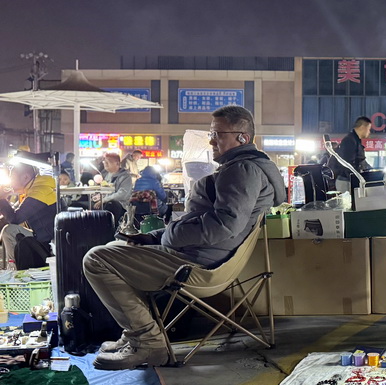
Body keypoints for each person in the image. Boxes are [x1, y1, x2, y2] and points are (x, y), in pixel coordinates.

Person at [83, 105, 286, 369]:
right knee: (115, 247)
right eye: (211, 134)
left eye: (217, 134)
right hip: (200, 254)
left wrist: (169, 237)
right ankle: (137, 333)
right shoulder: (242, 167)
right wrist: (154, 237)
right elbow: (205, 222)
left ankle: (148, 344)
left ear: (242, 138)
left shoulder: (241, 170)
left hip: (200, 264)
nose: (211, 141)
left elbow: (222, 226)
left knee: (96, 259)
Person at [0, 152, 57, 269]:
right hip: (42, 238)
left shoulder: (39, 192)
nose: (10, 181)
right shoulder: (34, 190)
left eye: (12, 177)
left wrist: (2, 199)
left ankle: (14, 269)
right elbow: (14, 213)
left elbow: (15, 219)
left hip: (47, 243)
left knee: (9, 230)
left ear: (25, 177)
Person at [329, 116, 373, 193]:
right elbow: (347, 163)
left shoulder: (355, 140)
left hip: (350, 180)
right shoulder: (349, 140)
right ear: (362, 127)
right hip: (347, 181)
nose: (369, 132)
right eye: (368, 129)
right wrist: (356, 178)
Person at [93, 153, 133, 225]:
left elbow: (122, 194)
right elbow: (102, 190)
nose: (105, 163)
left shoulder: (125, 176)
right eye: (104, 161)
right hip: (105, 202)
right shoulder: (104, 175)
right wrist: (97, 197)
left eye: (108, 162)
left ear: (117, 163)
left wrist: (104, 200)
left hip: (120, 205)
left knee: (111, 205)